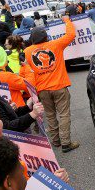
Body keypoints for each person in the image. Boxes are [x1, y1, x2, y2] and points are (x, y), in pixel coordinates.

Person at [25, 16, 78, 151]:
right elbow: (71, 34)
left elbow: (27, 71)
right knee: (64, 114)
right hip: (59, 87)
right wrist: (66, 20)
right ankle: (66, 143)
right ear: (46, 37)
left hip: (42, 89)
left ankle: (56, 141)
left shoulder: (27, 52)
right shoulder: (55, 45)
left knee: (50, 115)